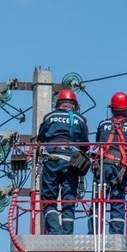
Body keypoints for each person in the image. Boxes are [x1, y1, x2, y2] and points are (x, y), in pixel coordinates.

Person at [88, 91, 127, 234]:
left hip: (102, 166)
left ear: (111, 109)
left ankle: (93, 234)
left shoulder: (103, 124)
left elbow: (98, 140)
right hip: (120, 168)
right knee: (118, 202)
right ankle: (115, 234)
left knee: (97, 201)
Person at [37, 89, 89, 234]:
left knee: (48, 198)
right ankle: (66, 233)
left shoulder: (50, 117)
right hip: (71, 162)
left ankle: (55, 231)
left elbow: (41, 138)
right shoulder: (79, 119)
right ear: (74, 104)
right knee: (69, 199)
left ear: (58, 103)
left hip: (51, 160)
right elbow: (85, 144)